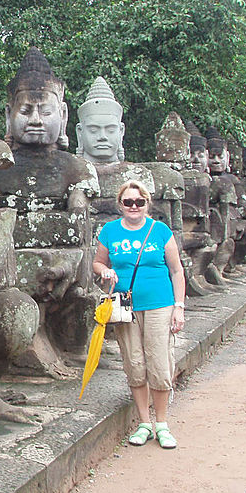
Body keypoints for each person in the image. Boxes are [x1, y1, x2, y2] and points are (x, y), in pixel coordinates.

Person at [92, 180, 187, 449]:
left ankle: (162, 423)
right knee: (134, 363)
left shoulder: (159, 231)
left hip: (159, 303)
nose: (133, 207)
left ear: (147, 204)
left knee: (159, 363)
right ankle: (144, 422)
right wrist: (104, 271)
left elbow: (177, 271)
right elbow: (98, 262)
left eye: (139, 202)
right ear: (120, 205)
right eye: (128, 202)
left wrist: (179, 307)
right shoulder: (110, 231)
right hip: (125, 306)